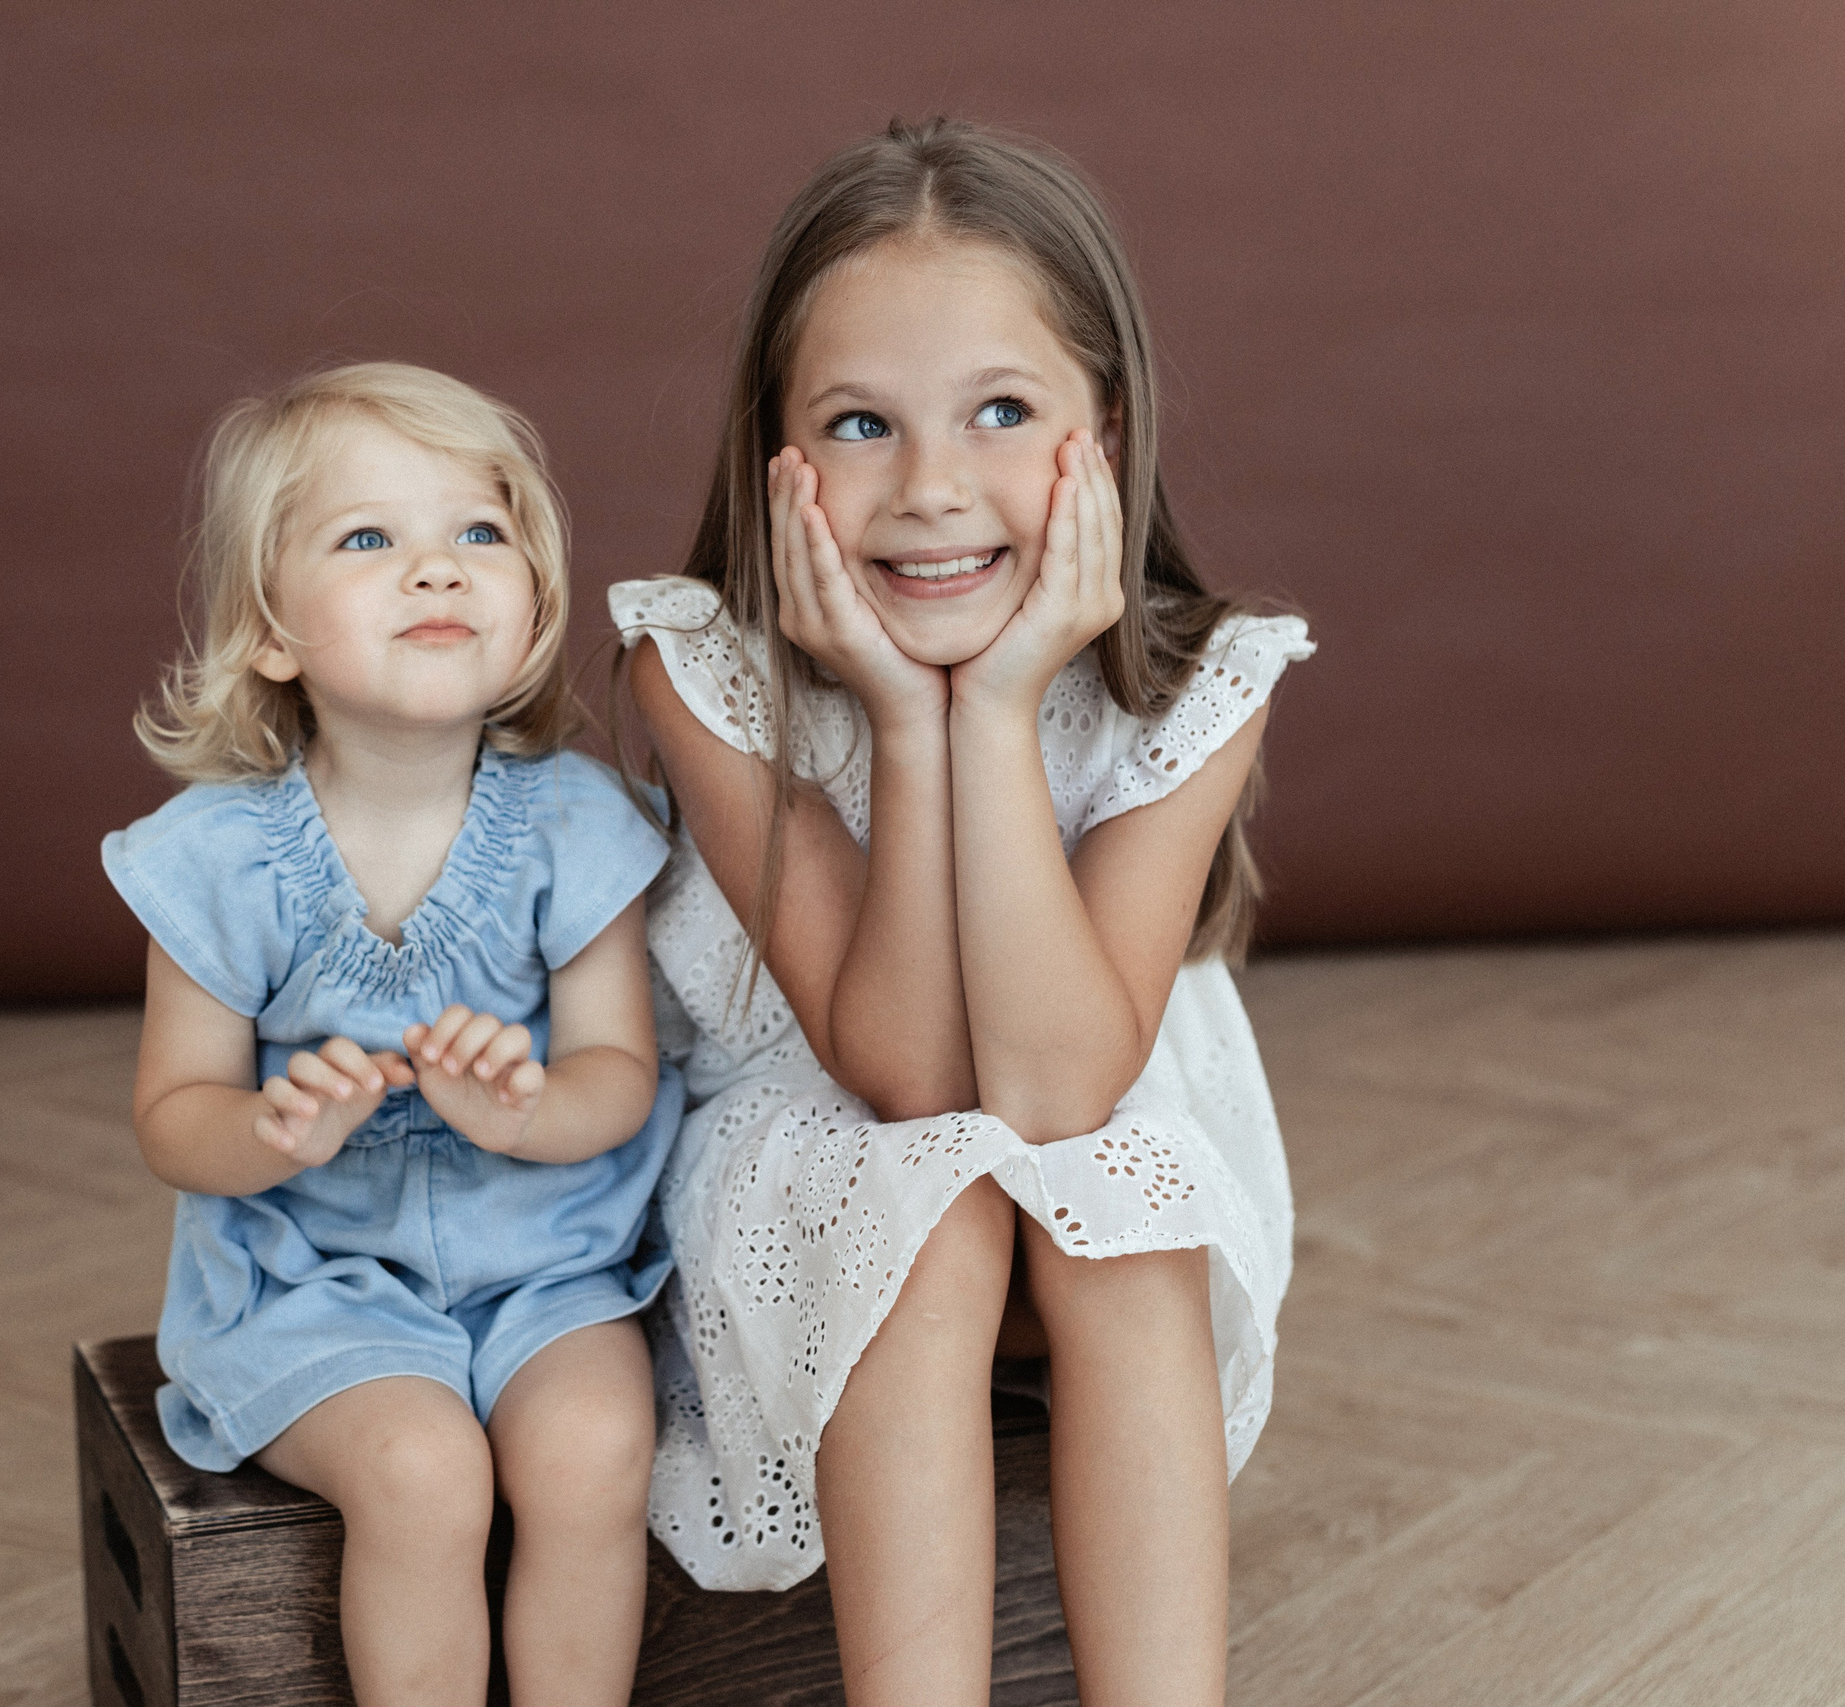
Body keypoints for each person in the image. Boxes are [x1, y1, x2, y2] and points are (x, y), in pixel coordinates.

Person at [611, 119, 1313, 1706]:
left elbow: (1061, 1091)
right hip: (821, 1154)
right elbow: (908, 1077)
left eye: (1002, 412)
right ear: (773, 452)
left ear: (1105, 435)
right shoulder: (701, 668)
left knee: (1118, 1206)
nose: (932, 490)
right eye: (861, 424)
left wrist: (994, 711)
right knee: (932, 1199)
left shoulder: (1201, 679)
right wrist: (908, 722)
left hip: (1100, 1132)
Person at [108, 362, 680, 1706]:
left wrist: (526, 1111)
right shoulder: (217, 859)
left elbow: (618, 1076)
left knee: (595, 1446)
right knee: (424, 1472)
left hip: (545, 1269)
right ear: (270, 631)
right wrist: (268, 1128)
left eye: (478, 535)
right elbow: (172, 1117)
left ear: (534, 602)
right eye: (371, 539)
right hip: (307, 1278)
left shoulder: (577, 825)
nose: (438, 571)